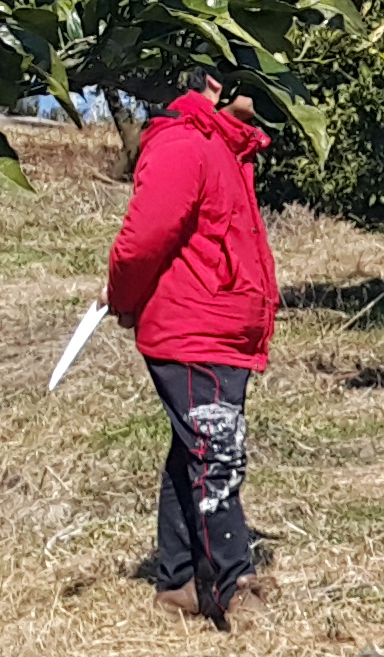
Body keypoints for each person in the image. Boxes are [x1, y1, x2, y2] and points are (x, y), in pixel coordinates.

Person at [108, 72, 280, 628]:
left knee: (195, 449)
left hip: (219, 324)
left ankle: (179, 578)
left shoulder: (223, 146)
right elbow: (143, 239)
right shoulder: (186, 143)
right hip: (192, 327)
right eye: (260, 76)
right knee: (217, 452)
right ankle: (234, 585)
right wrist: (124, 300)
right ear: (218, 82)